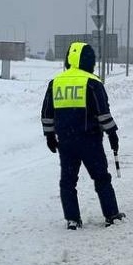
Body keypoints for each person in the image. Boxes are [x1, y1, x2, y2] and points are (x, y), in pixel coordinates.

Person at [41, 42, 125, 230]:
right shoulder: (92, 82)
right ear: (89, 61)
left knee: (68, 182)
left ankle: (72, 219)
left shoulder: (56, 83)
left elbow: (47, 113)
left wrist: (49, 136)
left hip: (66, 142)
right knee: (101, 178)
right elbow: (103, 113)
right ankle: (111, 215)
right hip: (90, 141)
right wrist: (112, 134)